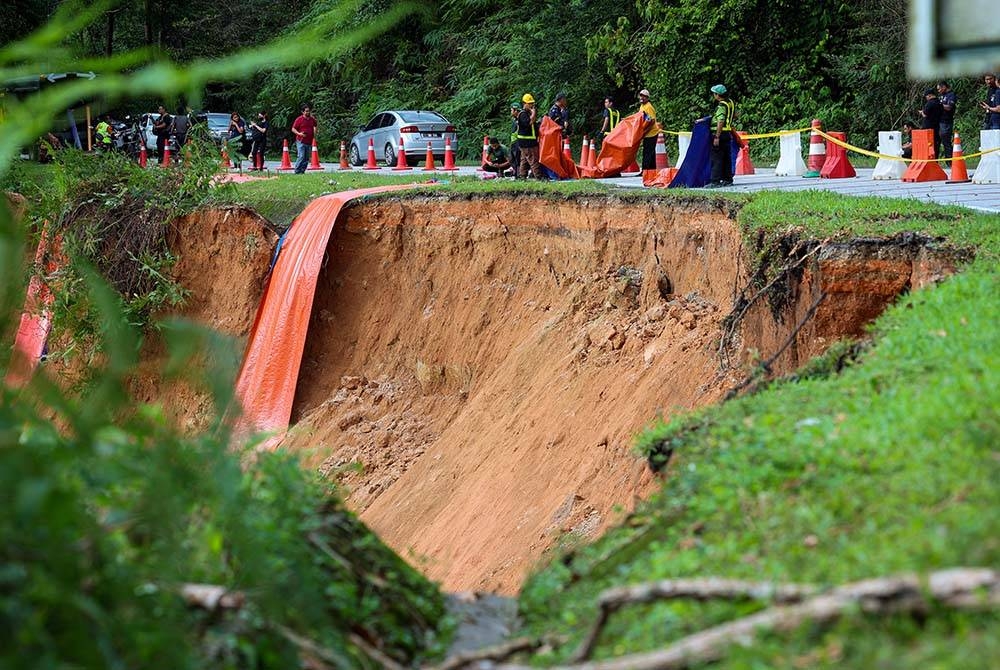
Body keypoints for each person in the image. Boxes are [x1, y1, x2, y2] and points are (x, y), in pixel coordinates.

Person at [705, 84, 736, 188]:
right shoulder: (730, 102)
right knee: (727, 158)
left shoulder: (721, 106)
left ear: (718, 95)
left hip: (720, 134)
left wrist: (717, 137)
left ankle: (715, 181)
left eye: (714, 93)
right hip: (727, 134)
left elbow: (721, 121)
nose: (714, 95)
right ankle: (728, 179)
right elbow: (734, 115)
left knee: (716, 158)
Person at [516, 93, 543, 179]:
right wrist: (534, 113)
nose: (531, 105)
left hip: (526, 141)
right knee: (533, 160)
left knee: (524, 160)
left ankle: (522, 176)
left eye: (532, 103)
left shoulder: (527, 113)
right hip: (527, 142)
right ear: (524, 103)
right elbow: (529, 123)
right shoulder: (523, 114)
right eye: (530, 103)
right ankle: (538, 177)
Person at [637, 89, 660, 172]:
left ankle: (645, 171)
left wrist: (645, 131)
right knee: (650, 153)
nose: (642, 97)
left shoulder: (648, 107)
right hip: (647, 133)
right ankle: (651, 171)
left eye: (644, 96)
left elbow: (652, 121)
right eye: (641, 95)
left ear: (647, 98)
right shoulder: (642, 106)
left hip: (651, 133)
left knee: (647, 153)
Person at [291, 103, 317, 174]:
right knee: (301, 156)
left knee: (306, 158)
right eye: (306, 111)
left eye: (308, 111)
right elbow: (293, 129)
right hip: (301, 140)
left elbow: (315, 125)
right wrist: (299, 134)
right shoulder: (299, 119)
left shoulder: (312, 119)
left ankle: (302, 171)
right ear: (303, 112)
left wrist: (314, 132)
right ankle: (297, 170)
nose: (308, 112)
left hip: (309, 141)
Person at [918, 88, 942, 157]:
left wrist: (921, 112)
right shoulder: (939, 102)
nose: (926, 98)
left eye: (926, 97)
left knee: (928, 144)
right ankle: (935, 159)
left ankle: (928, 158)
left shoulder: (930, 103)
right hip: (937, 126)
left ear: (929, 96)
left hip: (928, 127)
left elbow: (925, 114)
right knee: (936, 144)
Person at [936, 81, 956, 159]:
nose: (938, 91)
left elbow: (949, 107)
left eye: (939, 89)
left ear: (944, 87)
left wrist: (940, 105)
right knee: (938, 141)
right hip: (939, 120)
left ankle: (949, 160)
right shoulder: (941, 95)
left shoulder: (951, 95)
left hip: (946, 121)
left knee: (946, 141)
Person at [509, 102, 522, 178]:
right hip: (513, 142)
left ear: (516, 111)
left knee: (517, 160)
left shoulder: (519, 120)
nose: (511, 112)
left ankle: (518, 175)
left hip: (518, 142)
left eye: (511, 110)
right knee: (511, 159)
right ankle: (515, 173)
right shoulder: (514, 119)